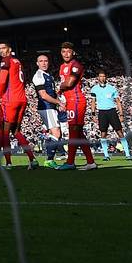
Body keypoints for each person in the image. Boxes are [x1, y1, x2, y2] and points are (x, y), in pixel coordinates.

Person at [0, 42, 37, 169]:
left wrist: (0, 95)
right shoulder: (17, 61)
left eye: (3, 48)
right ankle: (32, 159)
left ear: (9, 49)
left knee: (5, 132)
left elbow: (2, 81)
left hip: (11, 100)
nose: (1, 51)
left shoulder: (5, 61)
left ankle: (8, 163)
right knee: (17, 131)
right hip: (22, 99)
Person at [56, 42, 96, 171]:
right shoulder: (62, 66)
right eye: (63, 51)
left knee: (73, 130)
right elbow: (65, 84)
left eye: (69, 51)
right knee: (78, 133)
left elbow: (69, 83)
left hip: (77, 100)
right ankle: (90, 162)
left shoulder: (76, 65)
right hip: (70, 101)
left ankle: (70, 162)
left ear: (73, 52)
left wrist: (60, 87)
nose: (66, 54)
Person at [31, 54, 65, 168]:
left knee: (53, 134)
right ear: (37, 63)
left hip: (51, 107)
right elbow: (43, 95)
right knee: (56, 133)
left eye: (46, 61)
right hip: (46, 107)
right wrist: (58, 102)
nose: (44, 63)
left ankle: (50, 158)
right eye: (41, 61)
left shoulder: (48, 75)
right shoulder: (38, 76)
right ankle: (49, 160)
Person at [89, 70, 132, 161]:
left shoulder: (112, 88)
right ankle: (106, 155)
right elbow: (93, 102)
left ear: (106, 77)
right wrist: (93, 114)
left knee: (120, 132)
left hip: (112, 111)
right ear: (98, 78)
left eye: (104, 76)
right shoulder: (94, 89)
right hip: (102, 112)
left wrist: (121, 114)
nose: (102, 78)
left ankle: (128, 154)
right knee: (103, 133)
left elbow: (118, 102)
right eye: (101, 76)